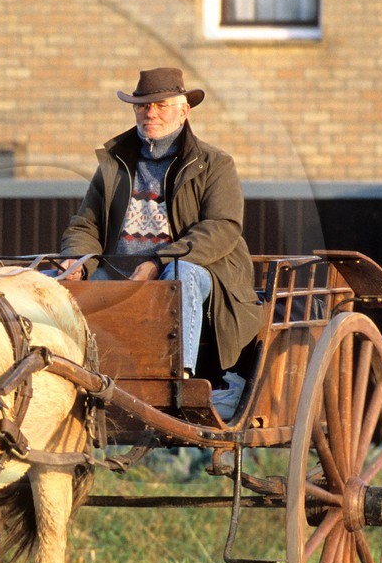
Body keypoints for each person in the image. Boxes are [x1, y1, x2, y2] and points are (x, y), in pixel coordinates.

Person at [59, 67, 262, 414]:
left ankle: (176, 383)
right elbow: (85, 224)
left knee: (181, 277)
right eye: (142, 106)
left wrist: (158, 262)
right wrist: (75, 261)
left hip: (194, 270)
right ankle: (60, 378)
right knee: (48, 284)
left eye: (161, 105)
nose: (150, 113)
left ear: (183, 111)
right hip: (117, 272)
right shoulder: (114, 164)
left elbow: (222, 227)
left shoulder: (214, 163)